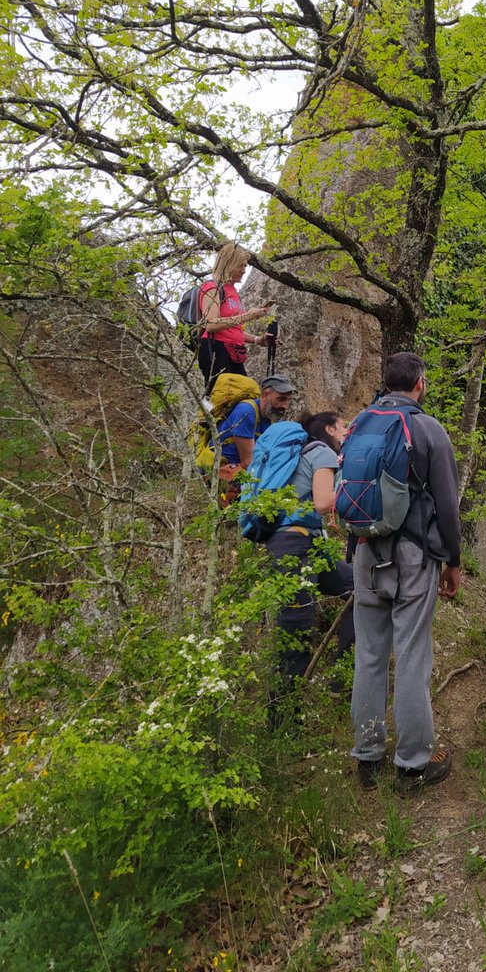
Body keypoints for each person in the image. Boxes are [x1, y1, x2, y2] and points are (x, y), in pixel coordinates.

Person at [350, 352, 462, 793]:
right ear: (420, 383)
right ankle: (413, 764)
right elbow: (448, 505)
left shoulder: (361, 423)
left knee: (370, 656)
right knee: (412, 655)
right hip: (414, 557)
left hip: (364, 553)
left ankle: (368, 758)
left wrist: (353, 552)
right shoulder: (428, 429)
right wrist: (453, 560)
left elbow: (353, 492)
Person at [266, 411, 355, 702]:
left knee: (363, 588)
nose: (346, 432)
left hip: (307, 544)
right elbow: (322, 503)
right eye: (342, 426)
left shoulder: (303, 454)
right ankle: (282, 720)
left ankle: (343, 676)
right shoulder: (323, 453)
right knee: (296, 629)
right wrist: (353, 486)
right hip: (296, 545)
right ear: (329, 429)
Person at [198, 242, 273, 389]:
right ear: (228, 264)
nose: (244, 270)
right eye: (240, 265)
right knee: (227, 400)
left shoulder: (232, 291)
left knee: (246, 395)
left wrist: (257, 340)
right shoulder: (213, 287)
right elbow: (211, 324)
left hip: (234, 352)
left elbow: (233, 329)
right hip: (216, 351)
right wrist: (247, 316)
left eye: (245, 266)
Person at [217, 374, 295, 502]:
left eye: (288, 400)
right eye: (281, 399)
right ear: (264, 395)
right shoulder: (246, 411)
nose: (285, 406)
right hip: (221, 470)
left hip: (240, 470)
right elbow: (248, 462)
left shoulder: (270, 417)